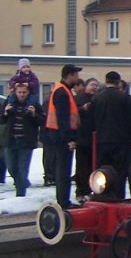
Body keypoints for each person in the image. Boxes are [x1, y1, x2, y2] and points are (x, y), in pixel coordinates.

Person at [91, 71, 131, 199]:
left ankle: (104, 194)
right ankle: (118, 195)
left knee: (103, 169)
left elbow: (92, 120)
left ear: (106, 81)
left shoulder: (96, 99)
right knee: (120, 171)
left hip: (102, 141)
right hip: (121, 141)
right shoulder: (125, 99)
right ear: (118, 82)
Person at [43, 64, 81, 208]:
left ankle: (63, 200)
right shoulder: (62, 92)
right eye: (76, 74)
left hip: (58, 136)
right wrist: (69, 139)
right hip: (62, 138)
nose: (77, 77)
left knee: (63, 170)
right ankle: (64, 202)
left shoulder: (62, 89)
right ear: (70, 75)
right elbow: (63, 118)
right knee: (63, 171)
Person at [2, 82, 45, 196]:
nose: (21, 95)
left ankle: (20, 194)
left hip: (26, 142)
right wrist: (5, 112)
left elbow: (42, 121)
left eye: (24, 92)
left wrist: (34, 114)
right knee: (11, 167)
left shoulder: (34, 103)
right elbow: (1, 120)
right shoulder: (10, 102)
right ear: (15, 92)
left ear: (28, 92)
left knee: (23, 169)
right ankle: (22, 183)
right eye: (19, 92)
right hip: (11, 140)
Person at [73, 77, 100, 202]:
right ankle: (81, 191)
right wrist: (83, 108)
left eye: (96, 85)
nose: (94, 87)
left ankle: (93, 189)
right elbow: (72, 114)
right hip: (82, 138)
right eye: (91, 84)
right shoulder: (78, 98)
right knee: (81, 167)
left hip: (95, 139)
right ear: (86, 86)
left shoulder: (99, 99)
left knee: (94, 166)